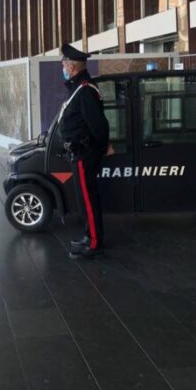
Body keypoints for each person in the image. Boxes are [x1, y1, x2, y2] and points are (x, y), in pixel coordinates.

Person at [59, 43, 112, 260]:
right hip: (81, 152)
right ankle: (89, 235)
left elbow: (99, 125)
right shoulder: (78, 87)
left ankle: (93, 242)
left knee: (88, 199)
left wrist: (101, 147)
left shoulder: (85, 90)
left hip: (84, 153)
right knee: (85, 199)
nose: (62, 66)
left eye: (64, 63)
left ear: (72, 67)